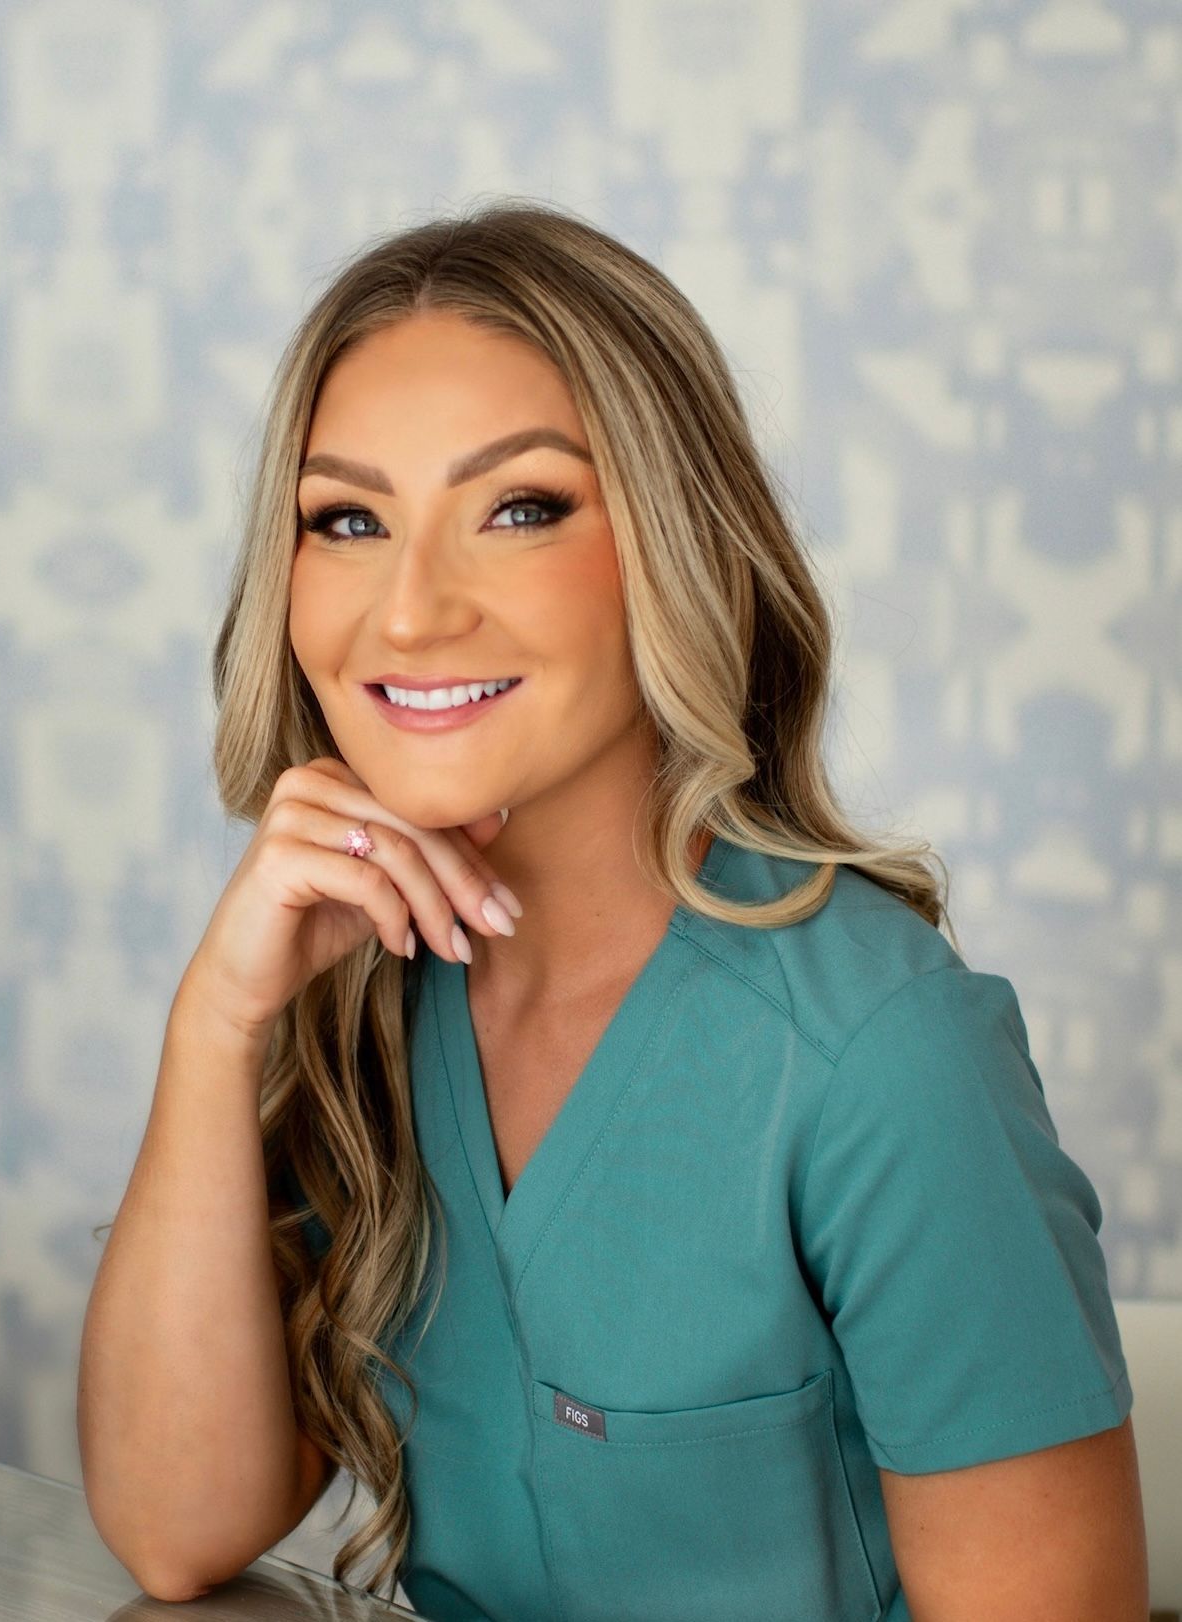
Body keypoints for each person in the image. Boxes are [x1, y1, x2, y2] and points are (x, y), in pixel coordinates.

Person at [77, 198, 1148, 1621]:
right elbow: (174, 1529)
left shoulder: (887, 1060)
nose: (407, 611)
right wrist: (217, 1019)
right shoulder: (371, 991)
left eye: (519, 507)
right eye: (346, 518)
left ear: (672, 543)